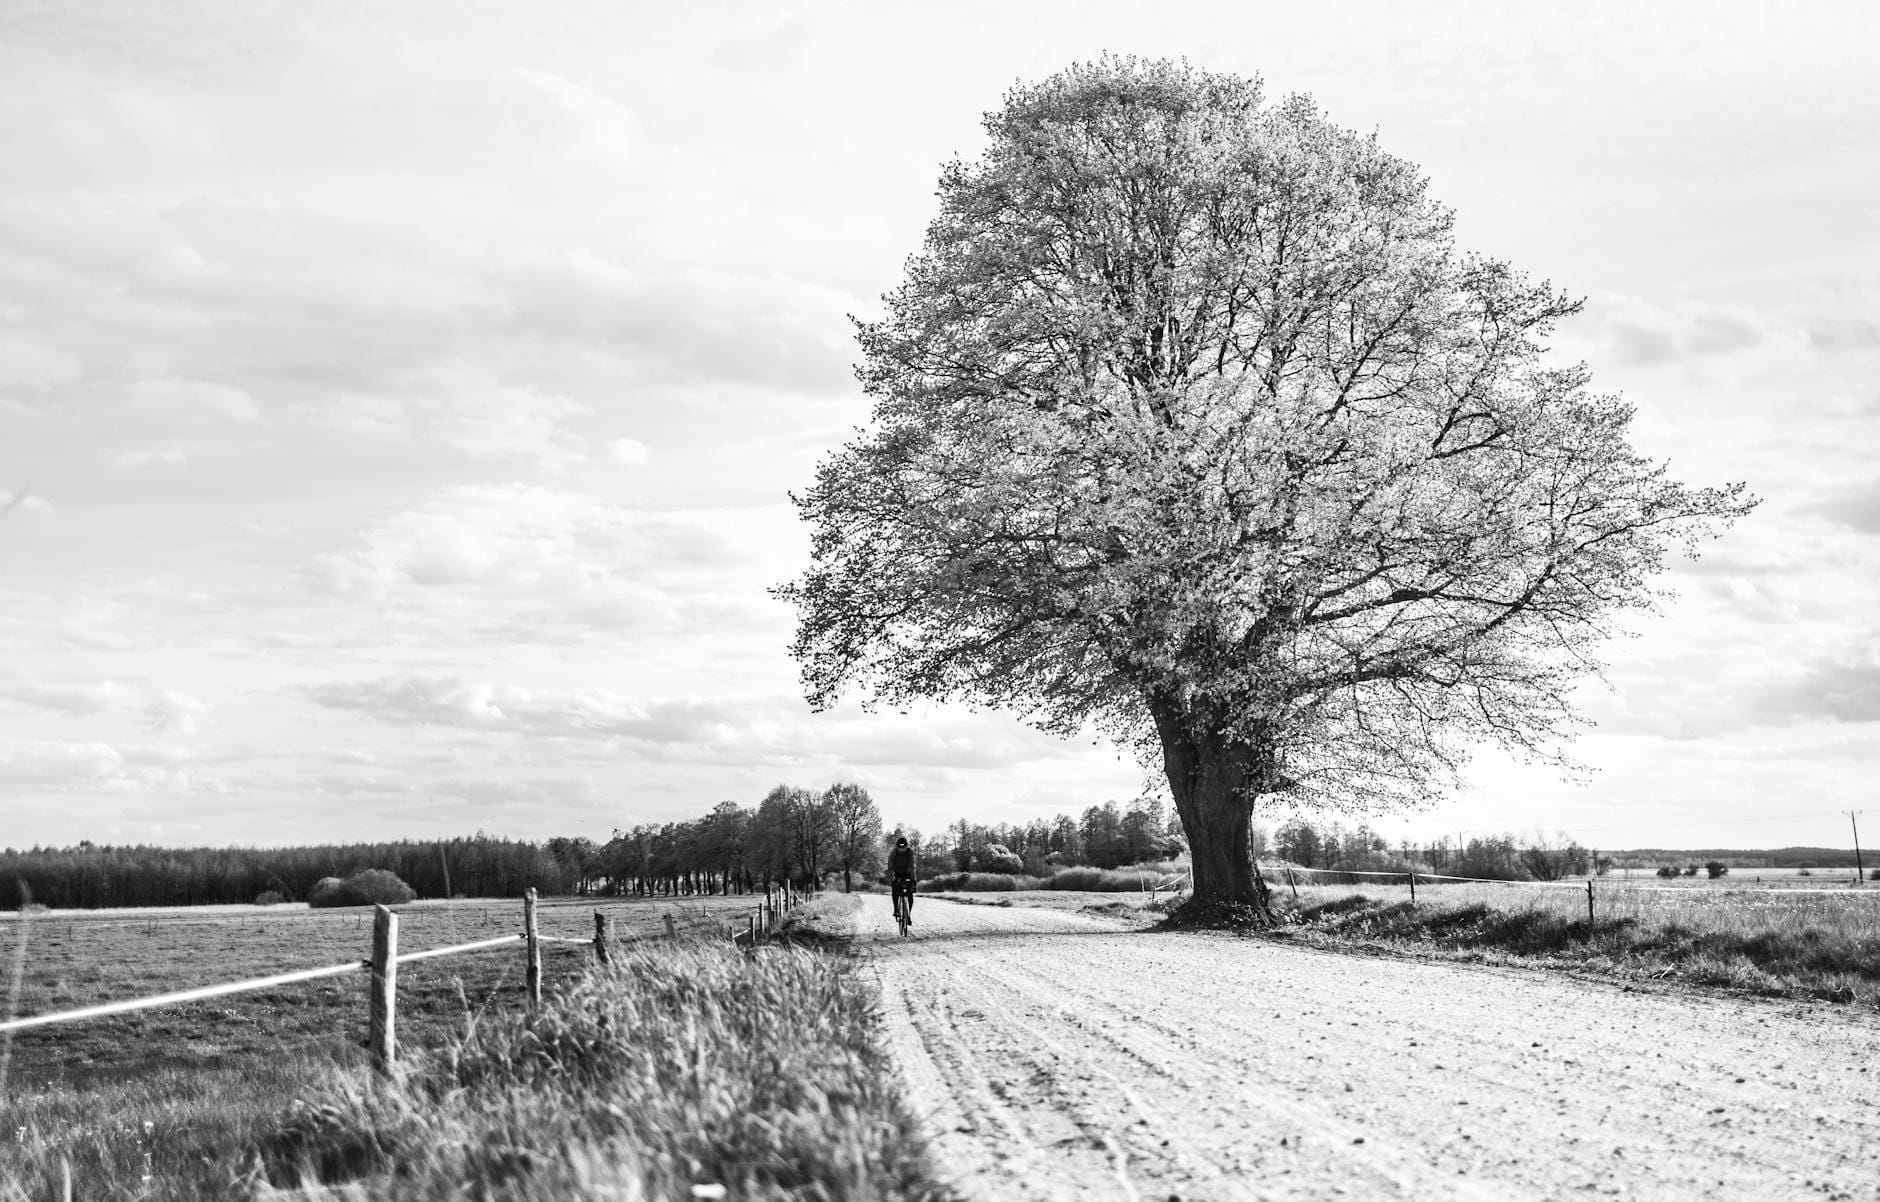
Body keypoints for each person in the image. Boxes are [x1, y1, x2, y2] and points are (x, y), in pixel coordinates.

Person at [887, 836, 916, 926]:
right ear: (897, 847)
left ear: (906, 847)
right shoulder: (893, 853)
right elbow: (890, 866)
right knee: (895, 890)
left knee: (910, 894)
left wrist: (913, 882)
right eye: (900, 848)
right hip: (896, 872)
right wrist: (892, 877)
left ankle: (908, 915)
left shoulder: (910, 852)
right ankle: (896, 909)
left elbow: (912, 866)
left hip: (907, 872)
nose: (902, 850)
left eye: (904, 847)